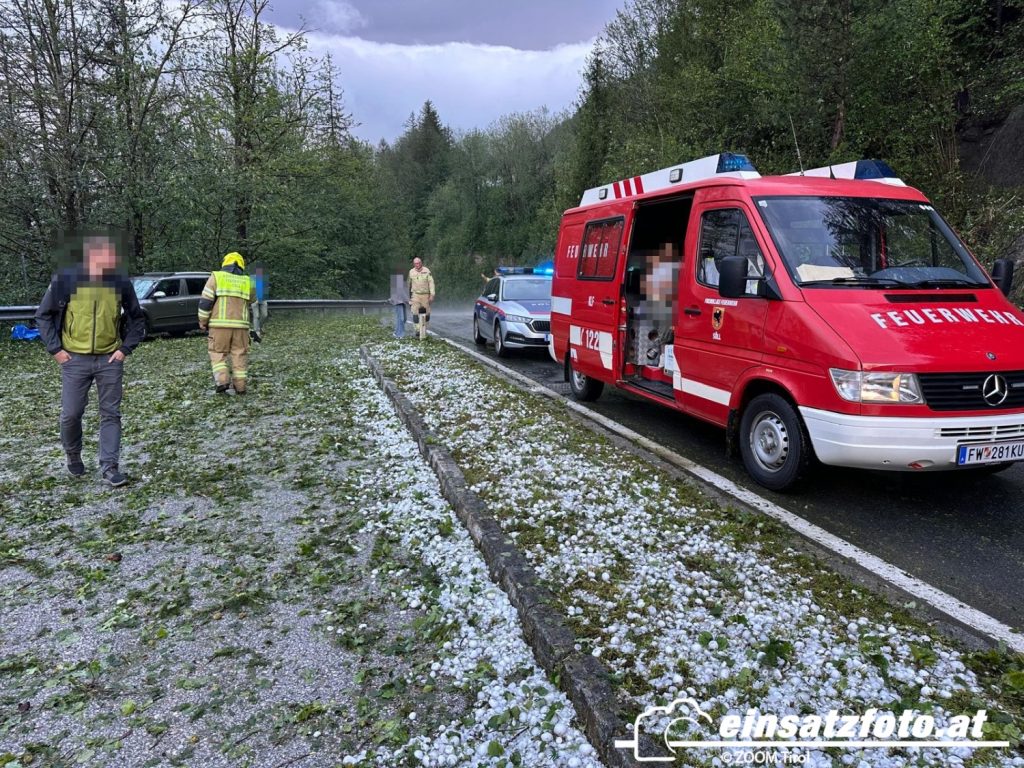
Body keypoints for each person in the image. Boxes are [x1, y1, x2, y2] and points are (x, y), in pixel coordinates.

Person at [35, 233, 146, 487]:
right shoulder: (66, 279)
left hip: (110, 359)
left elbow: (137, 318)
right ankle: (73, 454)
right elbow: (42, 315)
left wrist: (125, 349)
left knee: (111, 414)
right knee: (71, 414)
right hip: (74, 359)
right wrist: (56, 350)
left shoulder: (120, 282)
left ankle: (110, 467)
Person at [198, 252, 257, 394]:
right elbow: (254, 303)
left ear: (225, 263)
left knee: (217, 353)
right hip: (241, 327)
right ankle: (241, 387)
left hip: (219, 326)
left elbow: (205, 302)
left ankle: (223, 381)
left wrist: (203, 321)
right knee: (239, 354)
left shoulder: (216, 277)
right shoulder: (249, 281)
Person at [408, 257, 435, 340]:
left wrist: (432, 294)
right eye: (415, 263)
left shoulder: (427, 271)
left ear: (421, 263)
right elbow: (408, 284)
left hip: (425, 295)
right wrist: (407, 296)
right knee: (415, 312)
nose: (417, 265)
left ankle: (424, 329)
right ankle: (417, 330)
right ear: (413, 264)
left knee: (427, 313)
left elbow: (431, 283)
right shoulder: (411, 272)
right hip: (415, 295)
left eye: (419, 263)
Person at [389, 271, 410, 338]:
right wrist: (408, 301)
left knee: (403, 319)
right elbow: (401, 291)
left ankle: (397, 332)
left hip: (402, 302)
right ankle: (400, 334)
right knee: (401, 318)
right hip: (398, 302)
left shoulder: (403, 280)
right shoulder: (398, 279)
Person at [251, 265, 268, 342]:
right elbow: (251, 291)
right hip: (254, 299)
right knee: (256, 316)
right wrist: (255, 299)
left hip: (263, 299)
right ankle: (256, 331)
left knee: (265, 315)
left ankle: (260, 327)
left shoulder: (264, 278)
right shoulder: (252, 279)